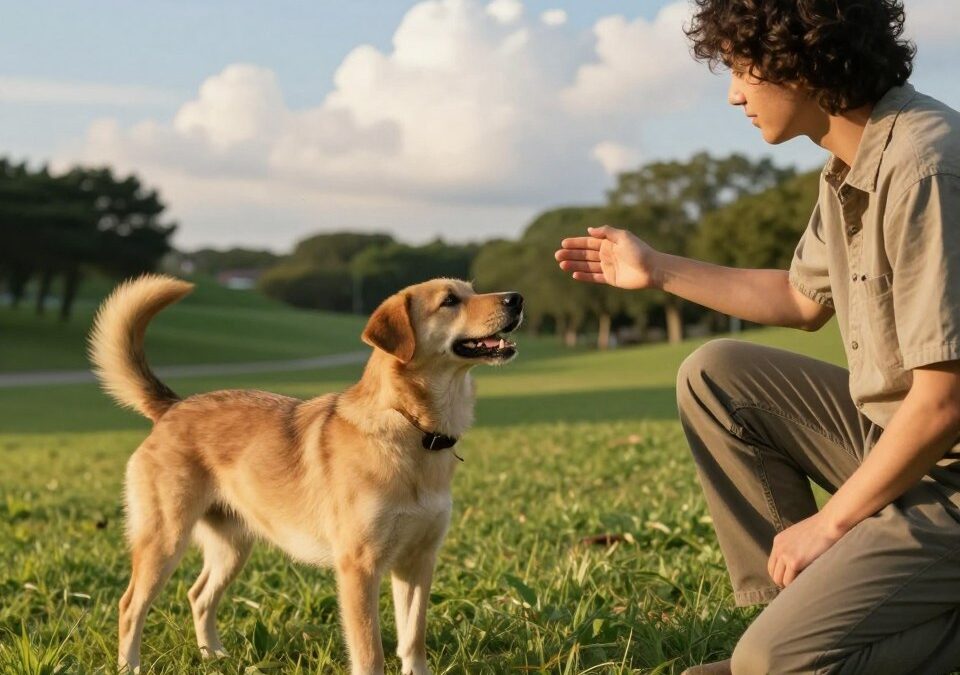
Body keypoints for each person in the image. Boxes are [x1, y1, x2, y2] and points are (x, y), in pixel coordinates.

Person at [555, 1, 960, 673]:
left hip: (947, 472)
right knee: (719, 374)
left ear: (800, 60)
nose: (734, 91)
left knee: (772, 661)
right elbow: (801, 298)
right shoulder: (851, 164)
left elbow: (946, 401)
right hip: (904, 445)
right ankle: (791, 618)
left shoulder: (924, 167)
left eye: (743, 68)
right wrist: (657, 269)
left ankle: (791, 652)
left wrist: (828, 525)